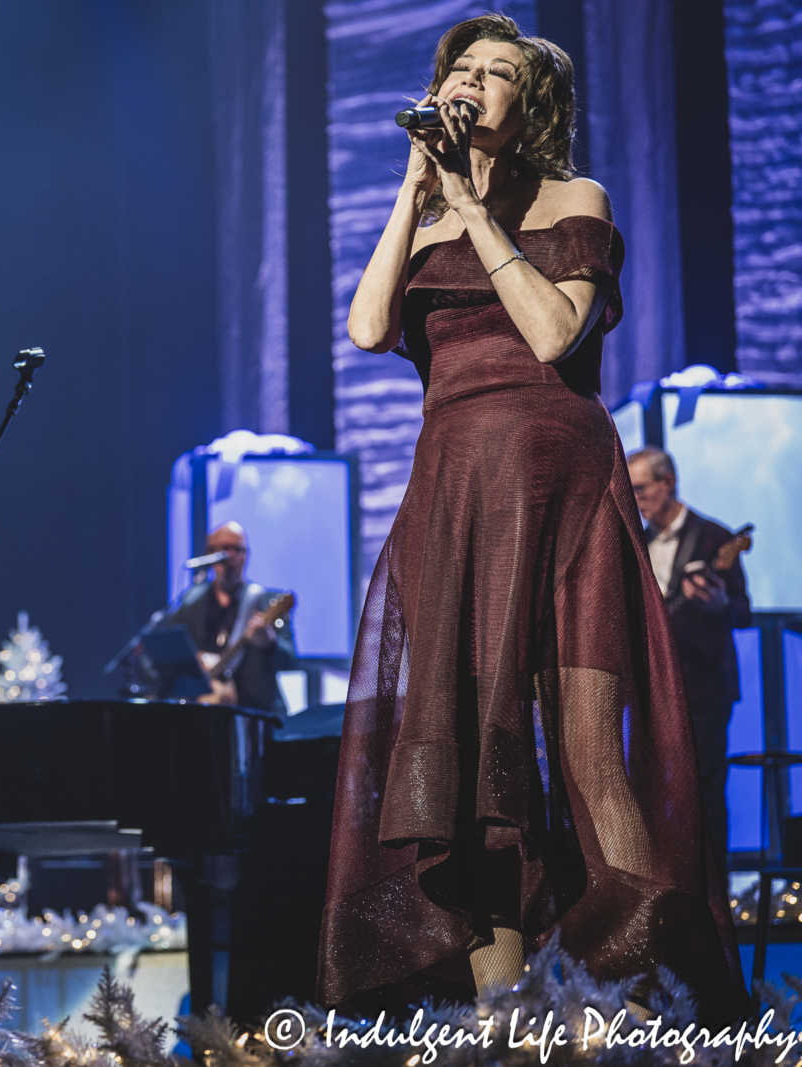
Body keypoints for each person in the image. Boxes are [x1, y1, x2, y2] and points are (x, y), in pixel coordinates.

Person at [317, 14, 746, 1018]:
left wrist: (473, 211)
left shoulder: (572, 197)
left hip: (559, 496)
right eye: (456, 68)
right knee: (470, 774)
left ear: (532, 102)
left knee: (591, 752)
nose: (468, 83)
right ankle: (502, 1016)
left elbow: (556, 333)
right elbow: (370, 325)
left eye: (493, 72)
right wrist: (418, 190)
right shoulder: (427, 212)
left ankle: (652, 993)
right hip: (456, 502)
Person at [628, 446, 752, 858]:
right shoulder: (636, 544)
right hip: (652, 690)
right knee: (654, 794)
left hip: (704, 689)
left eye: (641, 488)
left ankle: (718, 902)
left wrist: (717, 605)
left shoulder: (715, 538)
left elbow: (742, 613)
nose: (637, 499)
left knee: (705, 789)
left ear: (668, 483)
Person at [162, 521, 296, 717]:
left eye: (238, 549)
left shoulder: (265, 603)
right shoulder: (192, 604)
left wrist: (270, 643)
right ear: (210, 554)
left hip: (257, 718)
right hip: (206, 718)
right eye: (224, 549)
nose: (232, 556)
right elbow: (169, 654)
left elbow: (290, 661)